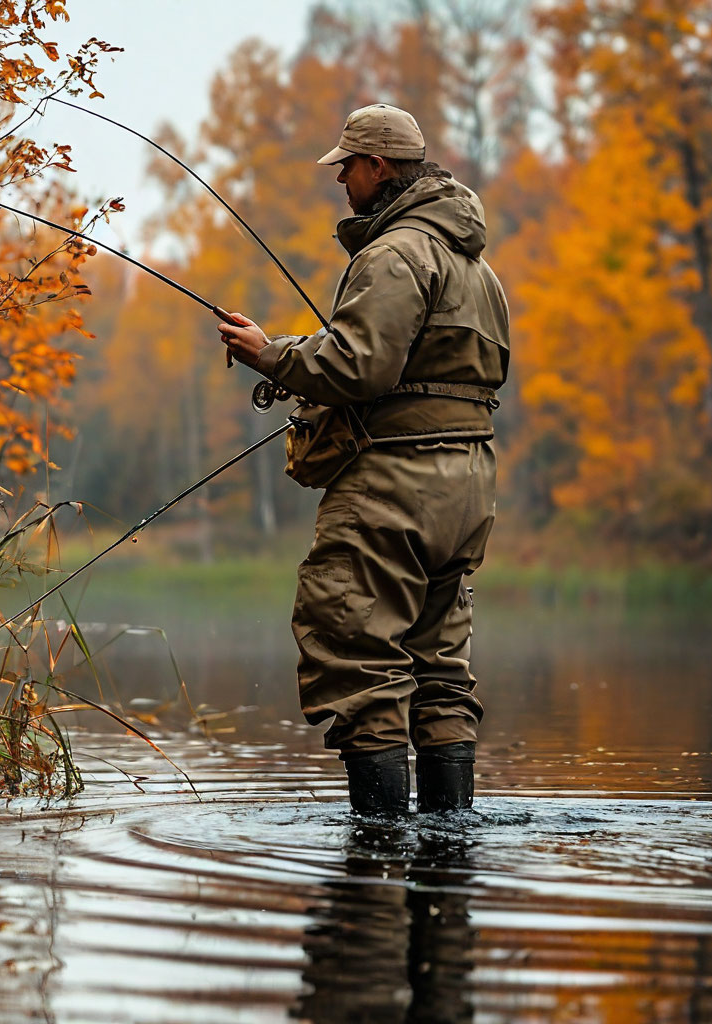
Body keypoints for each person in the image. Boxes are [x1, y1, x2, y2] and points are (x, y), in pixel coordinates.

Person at [216, 104, 509, 817]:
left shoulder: (395, 253)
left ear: (379, 166)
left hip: (393, 484)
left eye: (346, 165)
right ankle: (449, 843)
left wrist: (271, 353)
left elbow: (361, 365)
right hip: (468, 486)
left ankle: (378, 854)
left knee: (357, 654)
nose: (340, 179)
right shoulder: (479, 269)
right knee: (440, 665)